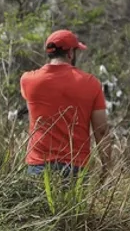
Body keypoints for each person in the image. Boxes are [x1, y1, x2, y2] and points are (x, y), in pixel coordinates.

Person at [20, 30, 110, 178]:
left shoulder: (28, 80)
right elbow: (101, 131)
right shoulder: (91, 84)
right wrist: (106, 167)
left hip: (38, 166)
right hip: (75, 168)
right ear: (70, 54)